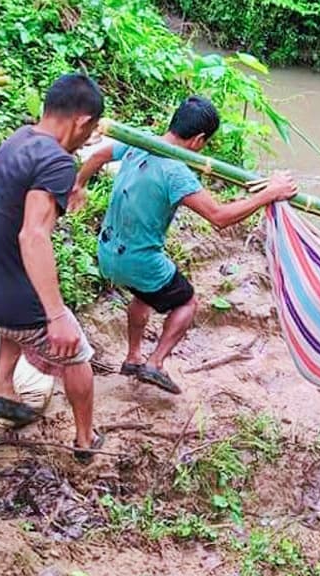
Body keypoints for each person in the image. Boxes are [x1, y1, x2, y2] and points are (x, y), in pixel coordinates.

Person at [74, 95, 297, 394]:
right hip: (139, 261)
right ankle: (155, 363)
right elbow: (219, 217)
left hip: (107, 252)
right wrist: (268, 195)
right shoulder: (175, 172)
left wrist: (78, 185)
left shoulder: (142, 141)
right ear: (199, 140)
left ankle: (133, 357)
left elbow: (98, 156)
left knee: (144, 294)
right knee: (187, 302)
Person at [0, 73, 104, 460]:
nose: (88, 138)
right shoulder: (57, 160)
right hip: (2, 297)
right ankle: (86, 440)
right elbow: (33, 236)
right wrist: (56, 315)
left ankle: (2, 388)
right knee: (77, 353)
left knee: (18, 310)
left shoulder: (20, 139)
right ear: (82, 121)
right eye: (91, 129)